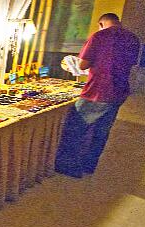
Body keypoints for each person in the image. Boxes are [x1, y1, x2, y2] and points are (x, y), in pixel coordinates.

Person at [55, 13, 140, 178]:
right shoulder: (133, 38)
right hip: (119, 91)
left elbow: (83, 64)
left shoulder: (99, 36)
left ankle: (69, 167)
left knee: (75, 128)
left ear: (101, 24)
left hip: (97, 91)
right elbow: (130, 63)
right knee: (101, 132)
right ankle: (89, 165)